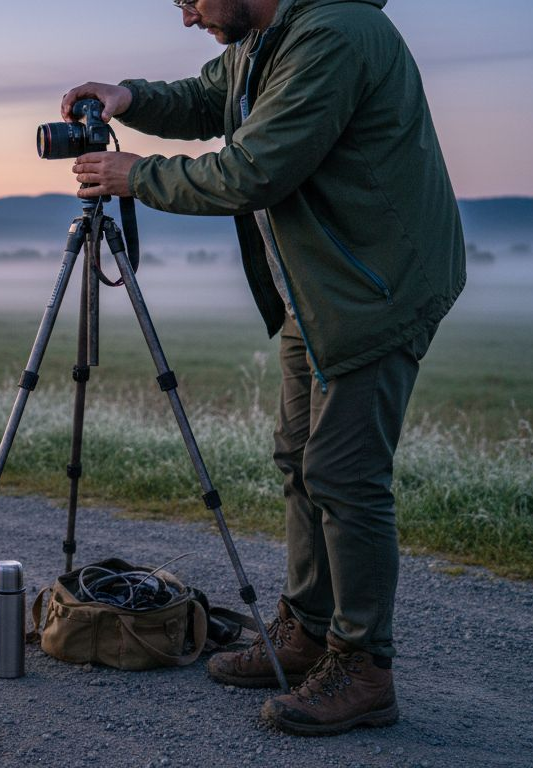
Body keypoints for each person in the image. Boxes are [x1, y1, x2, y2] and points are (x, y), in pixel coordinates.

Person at [62, 0, 465, 736]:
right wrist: (127, 96)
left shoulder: (337, 35)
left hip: (372, 288)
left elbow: (255, 171)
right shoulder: (262, 39)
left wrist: (135, 176)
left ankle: (364, 667)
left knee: (344, 473)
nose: (187, 17)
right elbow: (207, 97)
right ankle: (309, 630)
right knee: (297, 458)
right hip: (315, 289)